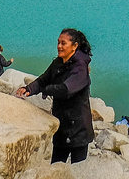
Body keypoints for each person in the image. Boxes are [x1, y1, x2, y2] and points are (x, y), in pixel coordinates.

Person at [17, 28, 94, 164]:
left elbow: (66, 90)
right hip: (61, 126)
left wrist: (47, 90)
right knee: (56, 167)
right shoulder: (58, 63)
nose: (59, 46)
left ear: (74, 46)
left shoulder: (80, 67)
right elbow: (43, 80)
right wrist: (28, 89)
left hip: (78, 130)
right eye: (58, 43)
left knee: (78, 171)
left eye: (63, 43)